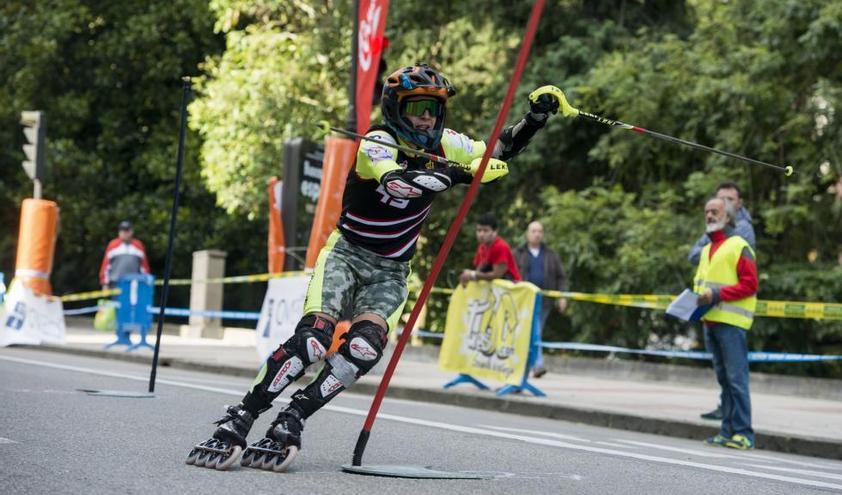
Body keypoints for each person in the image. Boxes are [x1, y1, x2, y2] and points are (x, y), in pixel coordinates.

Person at [187, 63, 560, 470]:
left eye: (434, 110)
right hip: (346, 254)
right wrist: (458, 175)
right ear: (397, 108)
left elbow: (498, 149)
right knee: (314, 339)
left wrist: (535, 118)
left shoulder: (446, 142)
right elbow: (396, 183)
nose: (427, 117)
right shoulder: (378, 141)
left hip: (392, 268)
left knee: (364, 347)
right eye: (418, 107)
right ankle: (240, 416)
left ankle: (292, 418)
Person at [688, 181, 756, 420]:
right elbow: (693, 258)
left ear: (730, 212)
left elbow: (749, 284)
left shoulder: (740, 239)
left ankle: (743, 432)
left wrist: (716, 295)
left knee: (736, 380)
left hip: (731, 319)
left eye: (716, 209)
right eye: (707, 211)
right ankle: (727, 430)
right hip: (710, 319)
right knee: (725, 379)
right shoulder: (709, 247)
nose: (709, 215)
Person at [513, 220, 568, 378]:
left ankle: (531, 364)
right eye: (533, 231)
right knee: (534, 331)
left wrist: (562, 296)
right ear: (527, 234)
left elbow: (561, 277)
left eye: (539, 231)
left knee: (535, 330)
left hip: (544, 301)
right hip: (523, 300)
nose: (537, 234)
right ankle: (536, 364)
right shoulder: (518, 253)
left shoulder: (551, 255)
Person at [459, 213, 521, 287]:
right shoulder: (482, 247)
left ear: (495, 232)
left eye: (485, 231)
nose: (481, 234)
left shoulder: (500, 246)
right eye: (479, 230)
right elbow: (479, 270)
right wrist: (468, 276)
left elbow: (497, 274)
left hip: (512, 288)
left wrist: (472, 274)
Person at [99, 220, 150, 290]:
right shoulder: (112, 245)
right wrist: (104, 283)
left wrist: (146, 282)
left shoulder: (138, 245)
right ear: (119, 232)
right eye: (122, 230)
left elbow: (144, 268)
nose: (124, 233)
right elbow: (105, 267)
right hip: (115, 284)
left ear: (132, 231)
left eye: (127, 230)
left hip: (133, 285)